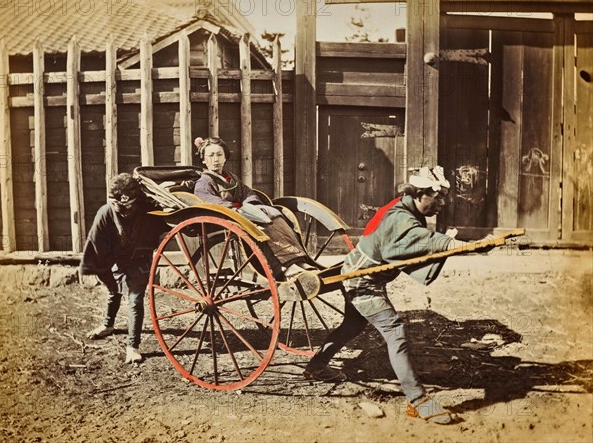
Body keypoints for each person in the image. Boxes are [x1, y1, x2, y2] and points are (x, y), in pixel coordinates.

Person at [304, 166, 466, 425]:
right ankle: (418, 401)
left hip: (361, 275)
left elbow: (413, 241)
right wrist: (448, 244)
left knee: (351, 326)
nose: (442, 204)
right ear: (419, 194)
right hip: (361, 281)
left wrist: (448, 244)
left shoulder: (404, 208)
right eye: (437, 198)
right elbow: (416, 238)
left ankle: (315, 368)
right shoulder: (400, 218)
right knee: (395, 332)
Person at [193, 137, 315, 280]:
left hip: (244, 212)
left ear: (225, 157)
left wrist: (250, 206)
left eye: (219, 155)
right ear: (203, 160)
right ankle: (284, 267)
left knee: (275, 216)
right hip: (229, 216)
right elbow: (211, 202)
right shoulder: (203, 183)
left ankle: (298, 261)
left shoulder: (231, 177)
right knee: (259, 230)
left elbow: (248, 193)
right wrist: (236, 210)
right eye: (211, 155)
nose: (216, 159)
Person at [80, 173, 168, 363]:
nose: (124, 210)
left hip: (139, 260)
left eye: (129, 206)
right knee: (114, 291)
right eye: (119, 206)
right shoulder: (105, 212)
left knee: (135, 300)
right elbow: (95, 245)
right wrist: (102, 269)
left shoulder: (149, 210)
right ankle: (108, 325)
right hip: (113, 261)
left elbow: (167, 224)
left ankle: (132, 346)